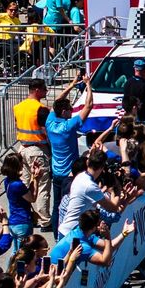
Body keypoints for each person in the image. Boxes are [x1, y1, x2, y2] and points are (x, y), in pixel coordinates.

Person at [46, 77, 92, 233]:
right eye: (70, 110)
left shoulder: (50, 122)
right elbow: (89, 106)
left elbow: (57, 102)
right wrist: (88, 85)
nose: (72, 111)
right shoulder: (68, 126)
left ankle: (55, 232)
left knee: (56, 204)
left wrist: (71, 85)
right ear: (64, 112)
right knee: (69, 205)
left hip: (56, 172)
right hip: (69, 174)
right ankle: (65, 233)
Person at [12, 80, 52, 229]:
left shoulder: (18, 107)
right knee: (42, 186)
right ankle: (44, 220)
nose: (46, 92)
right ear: (36, 90)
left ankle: (28, 215)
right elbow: (45, 131)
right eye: (44, 89)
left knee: (24, 185)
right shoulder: (41, 109)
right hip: (38, 150)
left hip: (22, 149)